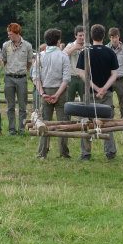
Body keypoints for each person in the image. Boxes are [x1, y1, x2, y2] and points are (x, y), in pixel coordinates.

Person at [74, 24, 119, 160]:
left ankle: (86, 153)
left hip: (89, 93)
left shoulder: (85, 52)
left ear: (90, 36)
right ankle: (110, 151)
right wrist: (104, 88)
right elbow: (115, 74)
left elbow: (81, 73)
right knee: (107, 123)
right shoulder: (110, 52)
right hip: (107, 94)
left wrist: (95, 88)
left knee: (86, 123)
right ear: (104, 36)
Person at [32, 28, 71, 159]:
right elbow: (66, 79)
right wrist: (57, 94)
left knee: (44, 123)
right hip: (61, 91)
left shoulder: (40, 56)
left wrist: (42, 93)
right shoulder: (63, 56)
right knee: (63, 123)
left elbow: (35, 77)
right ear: (58, 41)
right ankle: (64, 152)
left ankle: (42, 152)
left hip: (45, 90)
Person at [2, 22, 33, 135]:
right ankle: (11, 129)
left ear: (17, 33)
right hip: (9, 77)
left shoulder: (27, 46)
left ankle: (21, 129)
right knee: (10, 105)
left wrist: (23, 71)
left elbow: (29, 62)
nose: (9, 36)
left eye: (10, 34)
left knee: (22, 106)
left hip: (22, 78)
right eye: (8, 34)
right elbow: (4, 60)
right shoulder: (5, 45)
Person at [108, 27, 123, 119]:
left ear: (119, 37)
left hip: (120, 80)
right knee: (107, 102)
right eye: (112, 37)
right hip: (108, 79)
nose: (114, 39)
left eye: (116, 37)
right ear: (109, 38)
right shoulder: (106, 48)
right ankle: (109, 122)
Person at [63, 26, 85, 103]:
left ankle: (84, 115)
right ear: (75, 36)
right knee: (69, 100)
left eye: (83, 35)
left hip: (84, 78)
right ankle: (67, 115)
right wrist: (74, 48)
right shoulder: (70, 45)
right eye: (80, 35)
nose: (82, 37)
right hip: (72, 77)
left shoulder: (88, 46)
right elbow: (63, 56)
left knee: (85, 100)